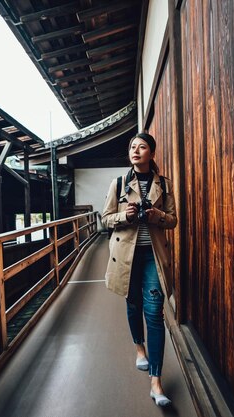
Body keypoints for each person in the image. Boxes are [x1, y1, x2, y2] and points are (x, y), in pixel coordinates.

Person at [102, 132, 178, 407]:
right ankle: (139, 348)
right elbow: (105, 219)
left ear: (151, 154)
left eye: (142, 146)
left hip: (153, 257)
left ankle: (156, 382)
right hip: (126, 257)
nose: (136, 150)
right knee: (133, 303)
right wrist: (126, 215)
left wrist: (156, 215)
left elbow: (173, 221)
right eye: (133, 147)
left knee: (155, 314)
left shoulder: (165, 186)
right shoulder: (119, 183)